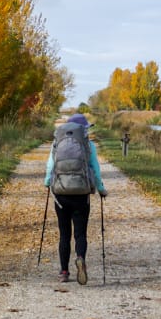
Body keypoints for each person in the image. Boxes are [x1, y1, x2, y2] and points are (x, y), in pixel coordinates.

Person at [44, 113, 107, 284]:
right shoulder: (89, 145)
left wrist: (47, 182)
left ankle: (64, 272)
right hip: (81, 193)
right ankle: (80, 257)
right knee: (80, 233)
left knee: (64, 234)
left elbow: (50, 165)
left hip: (61, 193)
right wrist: (101, 189)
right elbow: (95, 168)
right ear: (83, 129)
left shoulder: (57, 142)